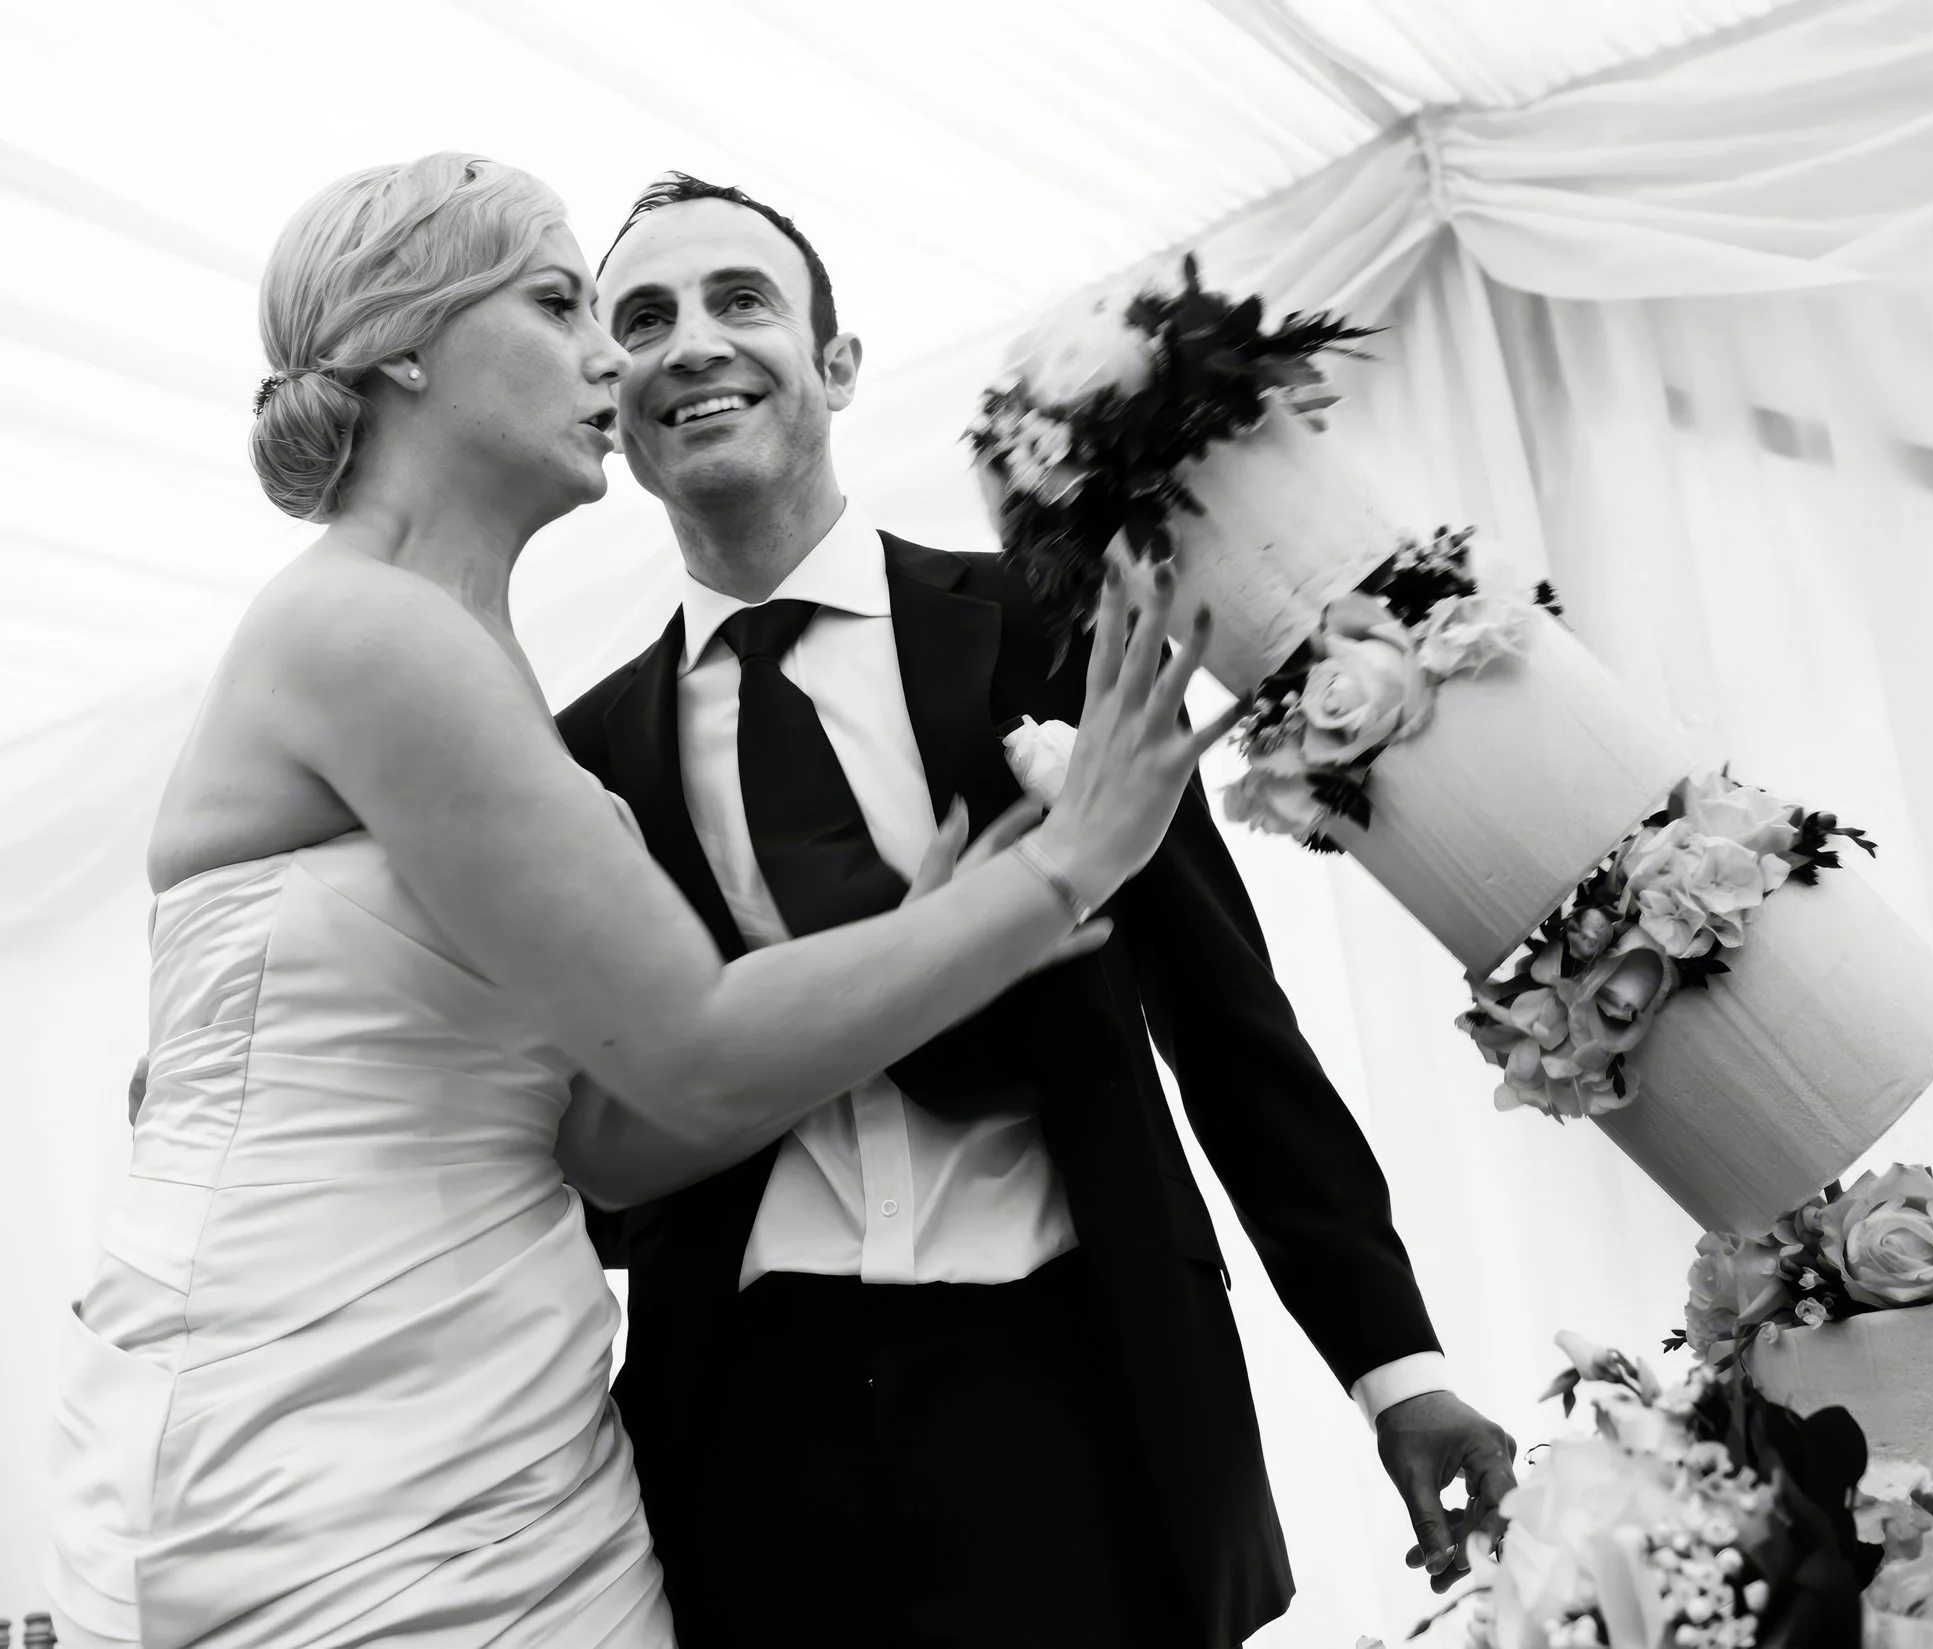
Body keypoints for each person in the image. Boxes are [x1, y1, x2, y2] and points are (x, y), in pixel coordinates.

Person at [48, 152, 1229, 1649]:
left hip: (516, 1412)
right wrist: (1065, 866)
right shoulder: (367, 631)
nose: (616, 355)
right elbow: (691, 1047)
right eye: (562, 303)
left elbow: (607, 1130)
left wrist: (928, 942)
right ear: (405, 341)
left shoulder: (469, 656)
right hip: (324, 1423)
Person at [563, 172, 1520, 1649]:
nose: (691, 343)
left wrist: (1395, 1367)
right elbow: (606, 1140)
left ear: (837, 361)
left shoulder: (1046, 626)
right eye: (643, 320)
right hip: (744, 1434)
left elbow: (1228, 1024)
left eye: (740, 300)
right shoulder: (582, 756)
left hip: (1073, 1383)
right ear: (608, 398)